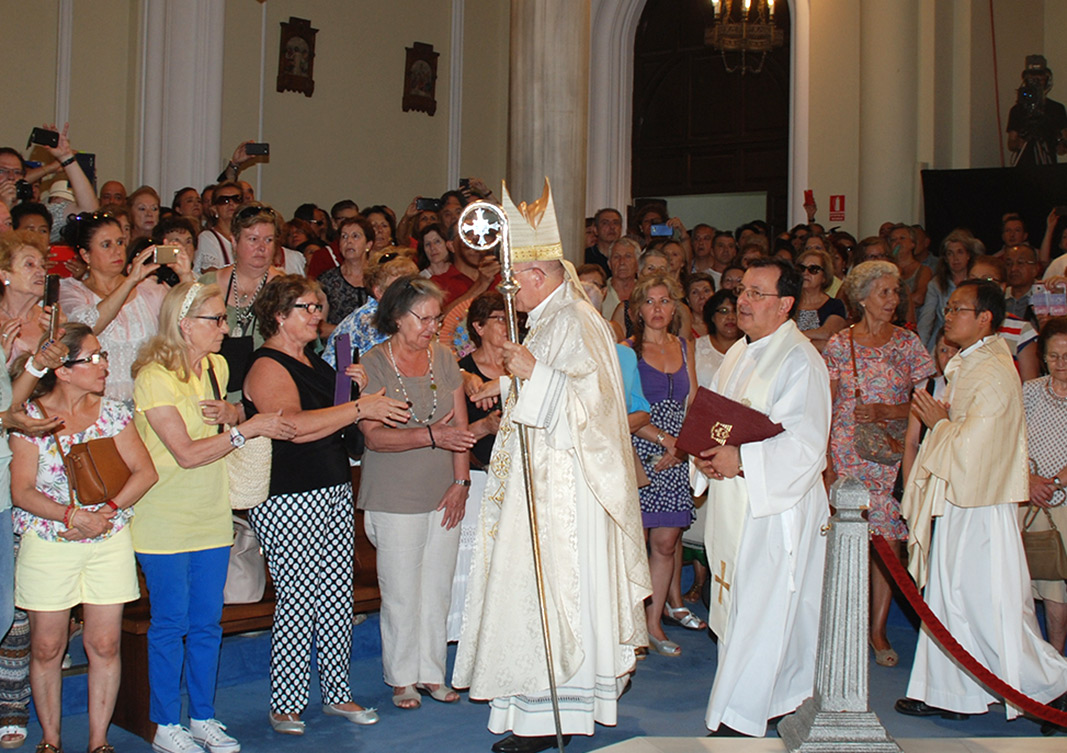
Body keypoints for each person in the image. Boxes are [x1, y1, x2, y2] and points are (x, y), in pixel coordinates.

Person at [453, 182, 650, 753]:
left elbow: (596, 407)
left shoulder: (577, 320)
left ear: (536, 275)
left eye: (511, 282)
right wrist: (517, 378)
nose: (507, 293)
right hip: (539, 483)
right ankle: (535, 708)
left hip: (567, 493)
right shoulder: (550, 319)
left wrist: (533, 372)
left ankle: (551, 715)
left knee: (557, 594)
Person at [130, 282, 297, 753]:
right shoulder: (153, 376)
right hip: (164, 514)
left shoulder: (217, 365)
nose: (225, 328)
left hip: (211, 510)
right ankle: (165, 723)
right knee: (170, 623)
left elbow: (231, 418)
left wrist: (234, 411)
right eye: (215, 319)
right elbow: (184, 453)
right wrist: (246, 429)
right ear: (184, 325)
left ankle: (202, 715)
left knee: (207, 622)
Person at [897, 280, 1067, 733]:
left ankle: (1049, 688)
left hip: (980, 503)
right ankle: (952, 692)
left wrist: (940, 422)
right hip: (962, 498)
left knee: (985, 601)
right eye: (948, 308)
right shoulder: (972, 362)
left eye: (958, 309)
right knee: (951, 595)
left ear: (985, 318)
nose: (948, 316)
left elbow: (979, 443)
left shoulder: (992, 369)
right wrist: (945, 421)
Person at [242, 276, 409, 735]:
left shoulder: (318, 362)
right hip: (287, 495)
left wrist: (353, 394)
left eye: (319, 306)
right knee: (298, 600)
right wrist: (360, 408)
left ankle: (338, 693)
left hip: (332, 485)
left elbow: (340, 431)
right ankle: (286, 702)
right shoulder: (266, 365)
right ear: (279, 315)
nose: (318, 314)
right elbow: (292, 426)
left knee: (336, 597)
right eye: (307, 307)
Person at [692, 257, 830, 737]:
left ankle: (741, 714)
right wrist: (706, 457)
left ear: (785, 304)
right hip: (738, 503)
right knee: (743, 605)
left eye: (755, 293)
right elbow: (717, 420)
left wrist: (743, 461)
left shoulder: (800, 360)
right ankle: (768, 700)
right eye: (741, 291)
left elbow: (806, 444)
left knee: (765, 608)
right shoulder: (740, 353)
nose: (741, 301)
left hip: (777, 507)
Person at [11, 324, 158, 753]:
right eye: (92, 358)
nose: (103, 365)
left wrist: (106, 513)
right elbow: (21, 490)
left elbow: (145, 472)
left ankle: (98, 741)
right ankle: (52, 740)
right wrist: (72, 515)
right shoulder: (31, 418)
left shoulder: (114, 412)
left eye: (104, 356)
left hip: (107, 540)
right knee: (47, 645)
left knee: (105, 642)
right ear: (61, 369)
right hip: (48, 541)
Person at [357, 276, 474, 710]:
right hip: (394, 493)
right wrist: (430, 435)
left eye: (435, 318)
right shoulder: (373, 363)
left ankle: (431, 673)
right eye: (422, 318)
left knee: (437, 588)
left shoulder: (444, 357)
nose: (431, 327)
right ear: (396, 317)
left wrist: (461, 483)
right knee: (402, 590)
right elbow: (374, 437)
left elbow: (459, 429)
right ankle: (402, 678)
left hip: (444, 489)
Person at [823, 261, 935, 667]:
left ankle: (878, 628)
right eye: (884, 292)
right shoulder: (839, 343)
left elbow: (929, 407)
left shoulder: (907, 344)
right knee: (844, 540)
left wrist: (889, 408)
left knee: (887, 541)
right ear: (862, 296)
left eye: (895, 292)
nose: (893, 300)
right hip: (845, 452)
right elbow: (827, 405)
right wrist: (826, 463)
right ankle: (843, 625)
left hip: (889, 455)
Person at [624, 274, 701, 658]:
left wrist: (684, 446)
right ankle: (631, 625)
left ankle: (654, 623)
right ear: (637, 310)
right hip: (639, 447)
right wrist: (667, 440)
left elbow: (696, 404)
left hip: (678, 452)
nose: (658, 309)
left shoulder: (686, 347)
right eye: (650, 302)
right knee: (634, 541)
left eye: (665, 301)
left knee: (667, 542)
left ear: (675, 308)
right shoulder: (627, 351)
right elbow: (624, 410)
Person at [59, 211, 192, 403]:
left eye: (120, 242)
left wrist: (185, 275)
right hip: (98, 402)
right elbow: (88, 327)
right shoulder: (73, 292)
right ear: (86, 255)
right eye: (106, 245)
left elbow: (189, 325)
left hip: (151, 399)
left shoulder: (150, 290)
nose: (117, 251)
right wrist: (130, 281)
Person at [447, 291, 505, 643]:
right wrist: (485, 426)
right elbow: (448, 436)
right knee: (474, 560)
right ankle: (466, 634)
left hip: (518, 477)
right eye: (498, 318)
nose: (507, 325)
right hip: (480, 474)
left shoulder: (520, 369)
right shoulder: (462, 372)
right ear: (479, 326)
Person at [198, 204, 285, 399]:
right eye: (253, 240)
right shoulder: (208, 285)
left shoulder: (286, 290)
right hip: (211, 393)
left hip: (266, 394)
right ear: (234, 242)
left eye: (268, 240)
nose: (262, 248)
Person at [1021, 318, 1067, 655]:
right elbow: (1010, 441)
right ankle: (1037, 662)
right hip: (1028, 497)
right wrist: (1030, 480)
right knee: (1024, 585)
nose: (1061, 364)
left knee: (1055, 589)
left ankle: (1057, 660)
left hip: (1060, 500)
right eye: (1053, 356)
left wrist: (1051, 484)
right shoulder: (1030, 390)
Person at [323, 253, 420, 365]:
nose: (407, 293)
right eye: (397, 288)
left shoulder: (395, 314)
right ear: (379, 292)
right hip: (342, 380)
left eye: (410, 286)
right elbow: (391, 363)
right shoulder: (371, 319)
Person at [917, 230, 980, 352]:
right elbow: (927, 319)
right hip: (944, 338)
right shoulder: (936, 284)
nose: (955, 258)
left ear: (968, 255)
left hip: (972, 338)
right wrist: (918, 349)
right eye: (950, 254)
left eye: (960, 252)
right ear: (945, 258)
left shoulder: (976, 282)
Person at [0, 231, 55, 367]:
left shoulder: (50, 317)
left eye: (42, 265)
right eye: (29, 264)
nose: (42, 272)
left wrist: (62, 335)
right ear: (4, 275)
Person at [1007, 55, 1067, 166]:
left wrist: (1061, 144)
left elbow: (1063, 145)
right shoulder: (1017, 110)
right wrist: (1018, 143)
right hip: (1024, 166)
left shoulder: (1056, 109)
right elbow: (1011, 143)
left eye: (1040, 79)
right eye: (1032, 79)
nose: (1036, 83)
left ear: (1047, 80)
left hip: (1048, 167)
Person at [318, 215, 372, 337]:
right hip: (340, 346)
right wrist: (350, 331)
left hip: (376, 349)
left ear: (368, 245)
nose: (349, 241)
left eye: (355, 236)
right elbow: (318, 326)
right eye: (344, 237)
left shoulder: (380, 279)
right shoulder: (327, 280)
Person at [795, 246, 847, 352]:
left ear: (824, 277)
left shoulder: (835, 305)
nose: (806, 273)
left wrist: (792, 339)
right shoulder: (788, 302)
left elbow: (827, 333)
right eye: (802, 268)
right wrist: (814, 341)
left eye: (813, 269)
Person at [694, 290, 741, 390]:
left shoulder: (749, 349)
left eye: (735, 311)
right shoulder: (695, 348)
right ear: (712, 317)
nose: (731, 317)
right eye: (723, 311)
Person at [195, 182, 243, 275]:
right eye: (224, 200)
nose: (231, 203)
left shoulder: (248, 237)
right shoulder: (207, 238)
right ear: (214, 209)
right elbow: (211, 275)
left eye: (236, 199)